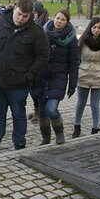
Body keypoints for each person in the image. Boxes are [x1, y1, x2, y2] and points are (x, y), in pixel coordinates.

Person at [0, 0, 50, 157]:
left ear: (32, 14)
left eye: (25, 16)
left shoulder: (36, 32)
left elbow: (43, 57)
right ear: (15, 8)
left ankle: (19, 144)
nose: (21, 18)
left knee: (18, 114)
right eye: (19, 14)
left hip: (20, 83)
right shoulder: (0, 24)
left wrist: (29, 75)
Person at [40, 9, 80, 145]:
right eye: (58, 18)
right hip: (42, 76)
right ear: (53, 18)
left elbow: (74, 63)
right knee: (42, 110)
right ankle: (45, 139)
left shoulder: (71, 39)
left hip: (59, 77)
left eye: (63, 19)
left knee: (51, 109)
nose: (59, 21)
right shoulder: (43, 33)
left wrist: (73, 84)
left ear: (67, 22)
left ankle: (59, 132)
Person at [73, 16, 100, 138]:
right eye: (94, 27)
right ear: (90, 28)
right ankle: (76, 126)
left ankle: (95, 127)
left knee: (95, 103)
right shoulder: (83, 40)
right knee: (81, 103)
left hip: (99, 75)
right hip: (83, 74)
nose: (96, 30)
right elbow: (77, 58)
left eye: (99, 28)